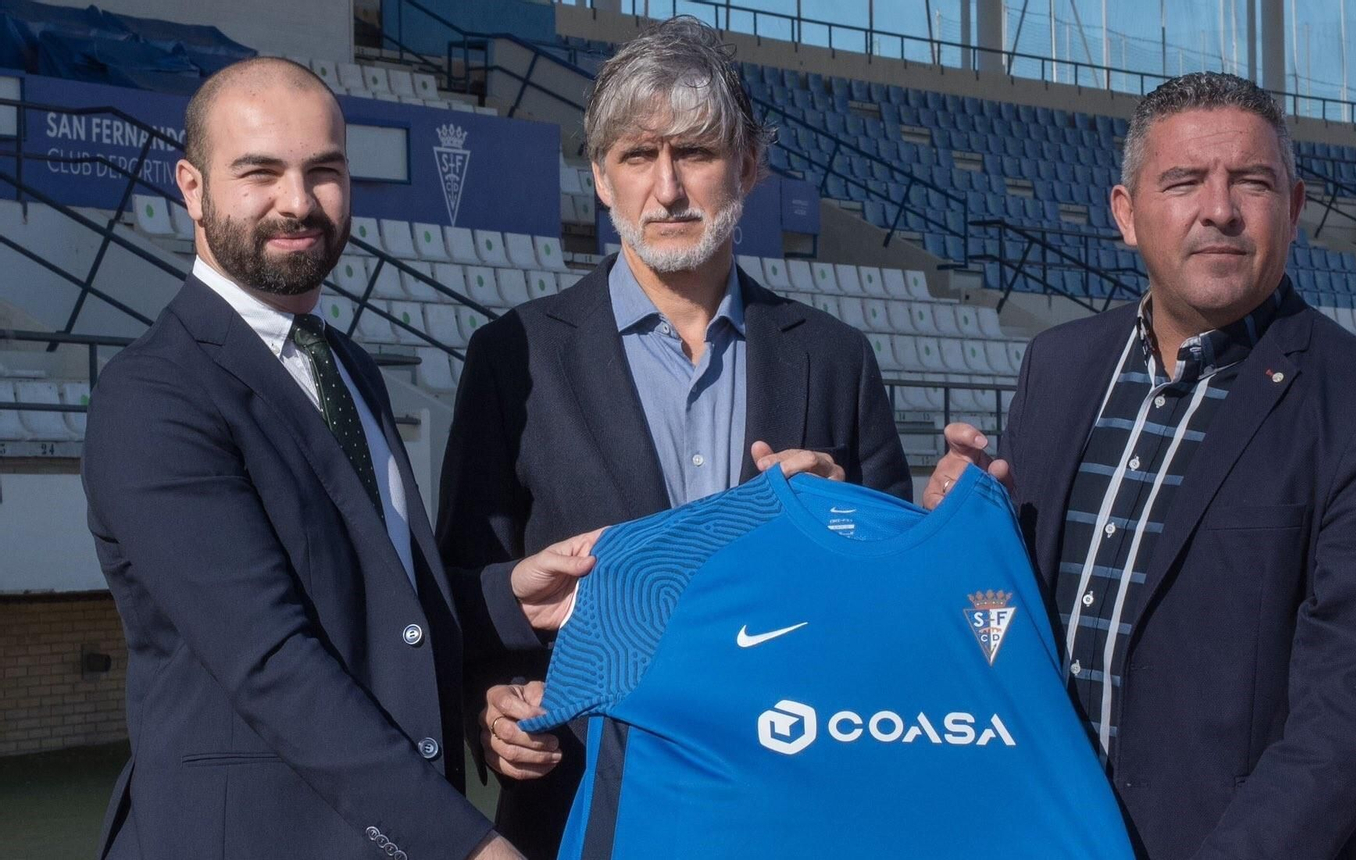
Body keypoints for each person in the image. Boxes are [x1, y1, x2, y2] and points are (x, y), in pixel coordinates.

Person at [925, 73, 1356, 860]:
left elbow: (1350, 714)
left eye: (1252, 182)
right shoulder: (1057, 368)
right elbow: (1002, 631)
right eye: (1183, 181)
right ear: (1125, 215)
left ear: (1296, 208)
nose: (1220, 209)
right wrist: (959, 544)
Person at [82, 57, 582, 860]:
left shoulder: (347, 368)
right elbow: (271, 660)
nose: (298, 201)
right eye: (260, 172)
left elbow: (368, 603)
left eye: (324, 171)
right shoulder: (155, 395)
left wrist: (507, 597)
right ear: (192, 187)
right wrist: (465, 846)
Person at [435, 17, 911, 859]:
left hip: (787, 807)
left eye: (695, 152)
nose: (669, 189)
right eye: (637, 156)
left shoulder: (836, 359)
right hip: (585, 806)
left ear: (749, 167)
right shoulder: (516, 356)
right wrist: (495, 700)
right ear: (600, 178)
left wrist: (840, 525)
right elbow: (466, 584)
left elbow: (890, 609)